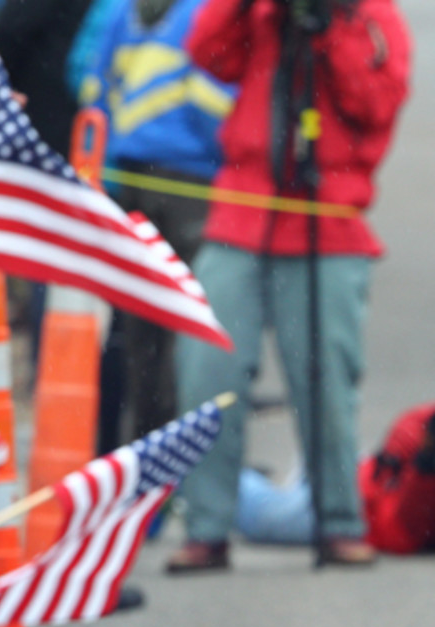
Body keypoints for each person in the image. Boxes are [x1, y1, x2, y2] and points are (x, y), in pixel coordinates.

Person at [171, 0, 411, 569]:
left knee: (326, 379)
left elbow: (374, 104)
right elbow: (207, 51)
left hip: (328, 221)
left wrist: (331, 28)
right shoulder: (263, 13)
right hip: (240, 216)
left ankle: (338, 522)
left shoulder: (373, 17)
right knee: (207, 370)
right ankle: (205, 528)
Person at [80, 0, 236, 447]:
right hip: (191, 180)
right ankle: (180, 448)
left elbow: (94, 86)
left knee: (141, 328)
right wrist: (220, 153)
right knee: (190, 326)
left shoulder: (121, 10)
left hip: (132, 175)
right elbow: (215, 100)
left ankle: (145, 444)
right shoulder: (208, 11)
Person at [236, 354, 435, 553]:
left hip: (361, 475)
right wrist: (429, 468)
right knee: (260, 518)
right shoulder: (420, 428)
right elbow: (395, 539)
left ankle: (307, 468)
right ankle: (229, 477)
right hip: (350, 500)